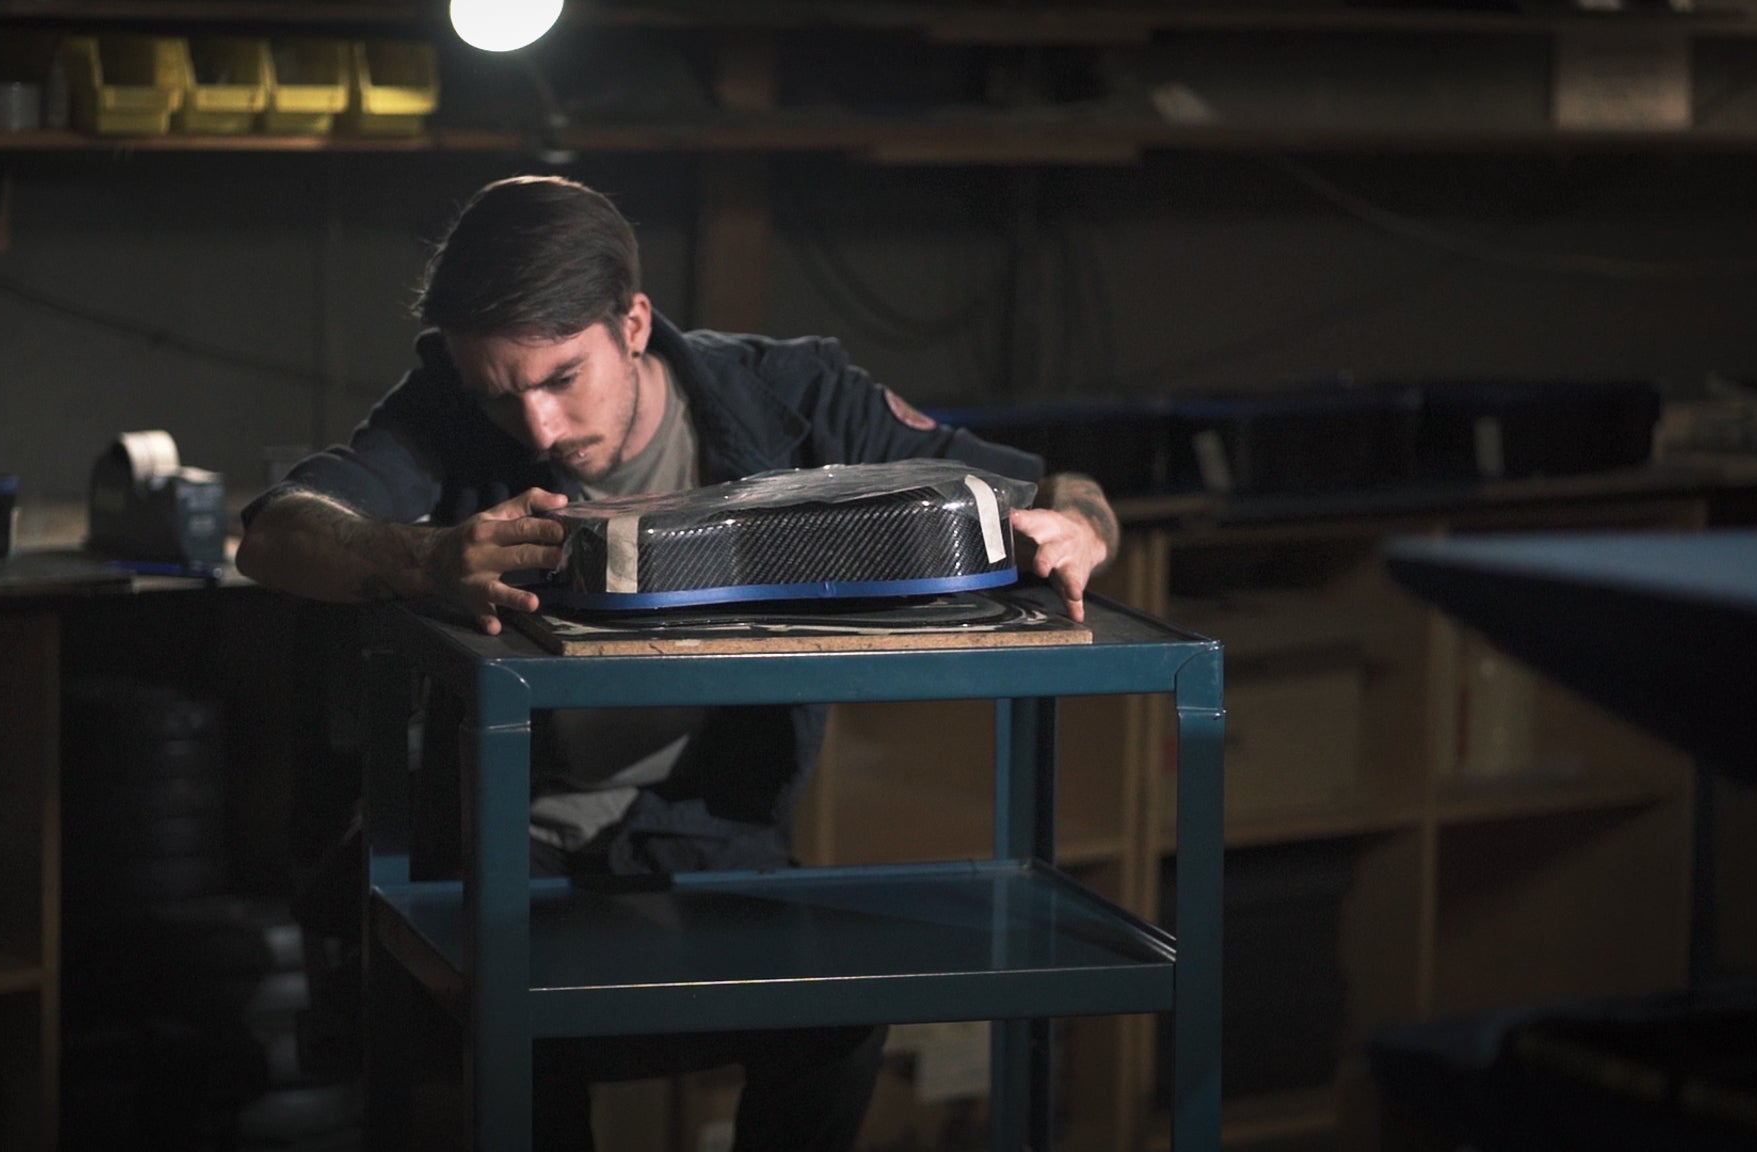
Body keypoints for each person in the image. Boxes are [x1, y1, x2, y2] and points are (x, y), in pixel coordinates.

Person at [235, 174, 1119, 1151]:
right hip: (490, 850)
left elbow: (1052, 488)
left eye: (561, 378)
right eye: (500, 393)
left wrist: (1078, 526)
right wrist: (423, 555)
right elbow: (276, 535)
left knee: (838, 1019)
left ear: (634, 323)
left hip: (707, 838)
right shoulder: (443, 409)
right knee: (518, 1049)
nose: (535, 427)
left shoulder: (792, 397)